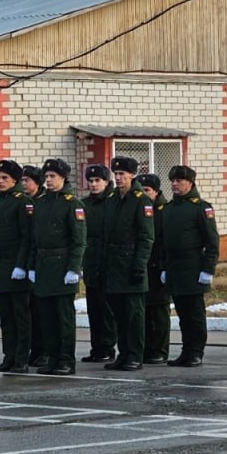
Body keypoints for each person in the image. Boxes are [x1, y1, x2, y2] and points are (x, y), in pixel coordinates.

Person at [28, 158, 86, 375]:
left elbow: (78, 240)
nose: (49, 180)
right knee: (47, 318)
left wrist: (74, 268)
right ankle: (52, 359)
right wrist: (32, 266)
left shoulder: (72, 204)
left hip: (62, 267)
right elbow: (35, 238)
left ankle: (66, 361)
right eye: (47, 176)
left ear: (63, 178)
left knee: (63, 319)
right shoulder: (41, 203)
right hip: (44, 266)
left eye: (53, 176)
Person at [161, 165, 220, 367]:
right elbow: (163, 242)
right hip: (174, 267)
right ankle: (186, 351)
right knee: (182, 313)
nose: (175, 184)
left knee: (194, 314)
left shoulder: (201, 208)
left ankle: (196, 351)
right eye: (173, 181)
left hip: (193, 265)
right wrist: (163, 268)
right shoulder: (168, 209)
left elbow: (212, 241)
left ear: (190, 183)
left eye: (179, 181)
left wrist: (208, 269)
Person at [102, 155, 155, 370]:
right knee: (119, 314)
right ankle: (123, 354)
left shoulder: (141, 200)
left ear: (132, 175)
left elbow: (146, 236)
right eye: (116, 174)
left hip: (131, 262)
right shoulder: (113, 199)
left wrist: (139, 265)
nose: (119, 177)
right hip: (114, 264)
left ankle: (135, 355)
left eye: (122, 174)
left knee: (134, 314)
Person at [0, 159, 32, 373]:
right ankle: (8, 356)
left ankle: (21, 358)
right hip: (1, 265)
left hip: (16, 265)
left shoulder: (22, 201)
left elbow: (27, 237)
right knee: (6, 317)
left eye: (5, 178)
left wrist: (22, 265)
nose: (1, 182)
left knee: (21, 316)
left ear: (15, 180)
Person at [80, 164, 117, 362]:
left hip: (108, 261)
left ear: (106, 182)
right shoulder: (84, 204)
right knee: (93, 307)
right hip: (91, 261)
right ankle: (97, 348)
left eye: (97, 181)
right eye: (91, 181)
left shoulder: (112, 203)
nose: (94, 185)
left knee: (106, 309)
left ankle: (107, 347)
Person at [139, 174, 170, 364]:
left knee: (158, 311)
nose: (143, 194)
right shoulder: (141, 208)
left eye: (147, 190)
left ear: (156, 191)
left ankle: (159, 349)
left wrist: (164, 267)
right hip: (143, 266)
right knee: (144, 311)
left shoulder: (164, 211)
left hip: (158, 266)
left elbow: (165, 241)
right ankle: (146, 348)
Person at [19, 165, 46, 366]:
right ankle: (35, 350)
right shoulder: (24, 202)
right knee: (31, 311)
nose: (23, 184)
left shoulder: (41, 202)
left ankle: (43, 350)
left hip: (44, 263)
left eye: (27, 180)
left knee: (41, 312)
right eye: (22, 180)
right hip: (29, 263)